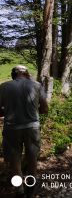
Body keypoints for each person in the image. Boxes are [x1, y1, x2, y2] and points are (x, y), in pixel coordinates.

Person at [0, 65, 48, 197]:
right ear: (27, 74)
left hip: (11, 129)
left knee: (15, 161)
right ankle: (30, 189)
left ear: (13, 75)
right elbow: (45, 109)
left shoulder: (3, 87)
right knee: (32, 159)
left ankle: (19, 190)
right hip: (32, 128)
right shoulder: (37, 85)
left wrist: (8, 110)